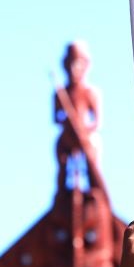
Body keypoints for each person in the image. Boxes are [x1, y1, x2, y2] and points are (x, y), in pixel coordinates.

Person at [54, 41, 102, 192]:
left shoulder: (90, 93)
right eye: (71, 63)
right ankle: (61, 190)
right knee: (61, 153)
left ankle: (96, 188)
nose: (74, 68)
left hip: (86, 136)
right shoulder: (60, 93)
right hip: (68, 136)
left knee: (92, 156)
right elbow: (56, 117)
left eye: (78, 63)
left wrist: (84, 130)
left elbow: (97, 121)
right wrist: (67, 122)